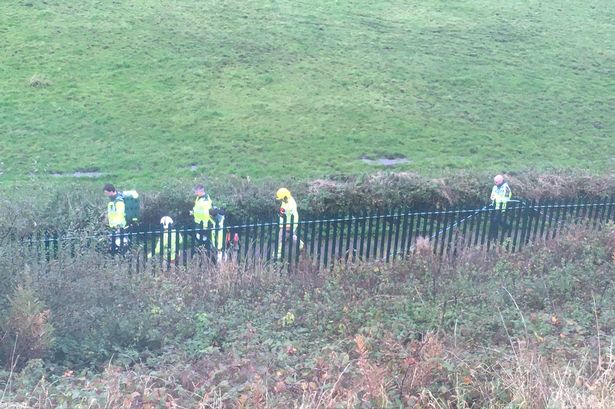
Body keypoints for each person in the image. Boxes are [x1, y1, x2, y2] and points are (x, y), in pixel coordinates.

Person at [192, 184, 225, 260]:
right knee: (201, 245)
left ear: (200, 191)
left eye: (196, 191)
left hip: (205, 225)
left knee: (207, 245)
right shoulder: (198, 198)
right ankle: (204, 259)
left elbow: (209, 212)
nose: (194, 192)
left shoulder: (205, 201)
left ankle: (212, 259)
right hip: (199, 225)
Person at [275, 187, 304, 258]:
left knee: (281, 238)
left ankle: (278, 254)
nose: (281, 200)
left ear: (285, 197)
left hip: (288, 225)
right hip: (284, 224)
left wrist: (291, 225)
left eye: (281, 198)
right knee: (290, 236)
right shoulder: (285, 201)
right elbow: (283, 212)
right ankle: (300, 245)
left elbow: (295, 216)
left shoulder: (291, 205)